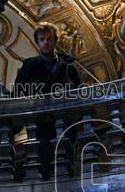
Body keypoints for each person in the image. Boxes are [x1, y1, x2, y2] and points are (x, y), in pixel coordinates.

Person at [14, 23, 83, 180]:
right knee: (43, 161)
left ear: (55, 41)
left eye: (49, 39)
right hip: (41, 124)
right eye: (42, 39)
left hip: (66, 122)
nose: (45, 42)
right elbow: (18, 94)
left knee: (67, 160)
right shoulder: (29, 67)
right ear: (37, 42)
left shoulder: (69, 67)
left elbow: (81, 92)